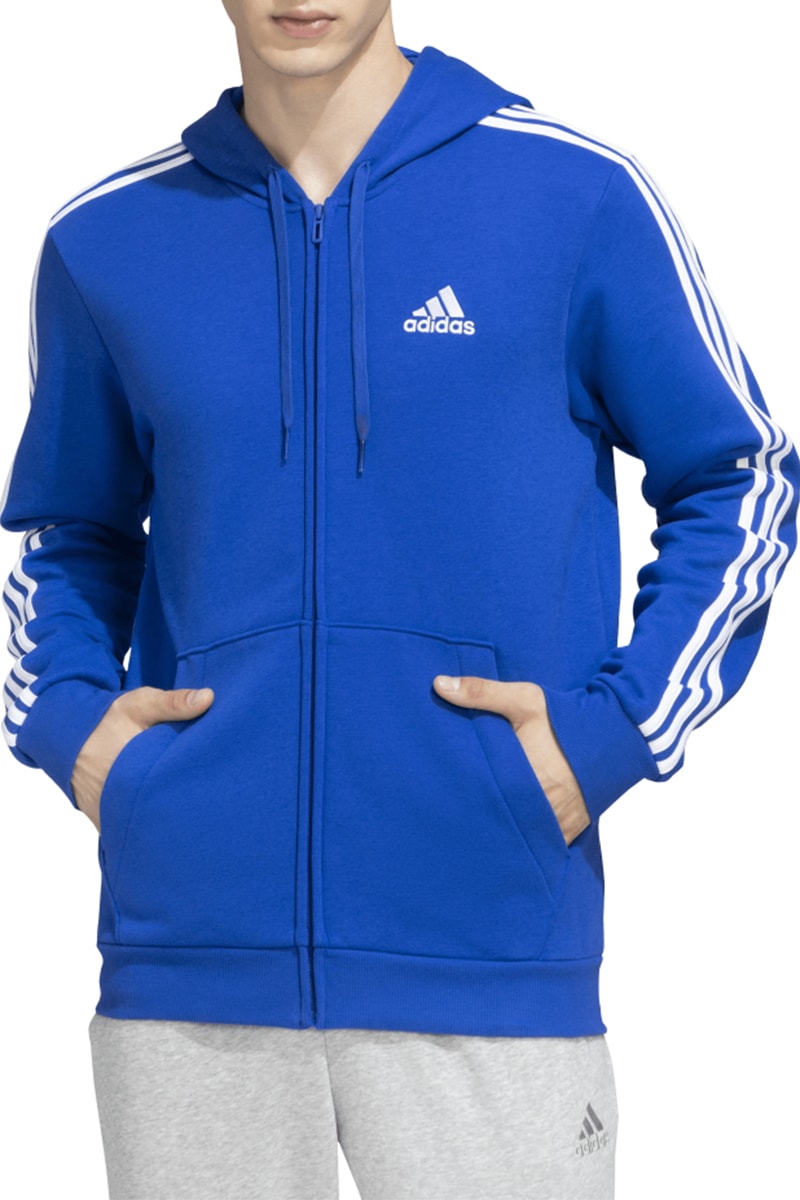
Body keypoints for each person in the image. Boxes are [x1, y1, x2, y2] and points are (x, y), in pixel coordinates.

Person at [1, 2, 797, 1197]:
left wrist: (610, 735)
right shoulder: (108, 239)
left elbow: (740, 476)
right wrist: (76, 731)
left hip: (488, 947)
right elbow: (66, 530)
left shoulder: (570, 197)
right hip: (189, 967)